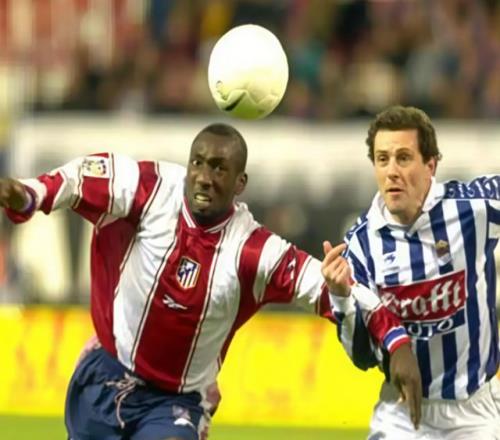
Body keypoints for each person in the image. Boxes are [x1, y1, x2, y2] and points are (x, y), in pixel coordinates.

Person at [0, 123, 420, 440]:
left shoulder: (253, 251)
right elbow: (79, 178)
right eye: (198, 163)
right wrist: (30, 194)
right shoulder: (149, 189)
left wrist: (396, 340)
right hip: (104, 372)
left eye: (219, 168)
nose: (204, 176)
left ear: (240, 183)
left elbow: (330, 284)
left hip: (175, 403)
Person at [327, 105, 500, 439]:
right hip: (401, 412)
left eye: (404, 158)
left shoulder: (473, 208)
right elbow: (361, 356)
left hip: (474, 411)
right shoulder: (360, 246)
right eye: (382, 159)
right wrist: (341, 297)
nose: (392, 171)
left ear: (430, 165)